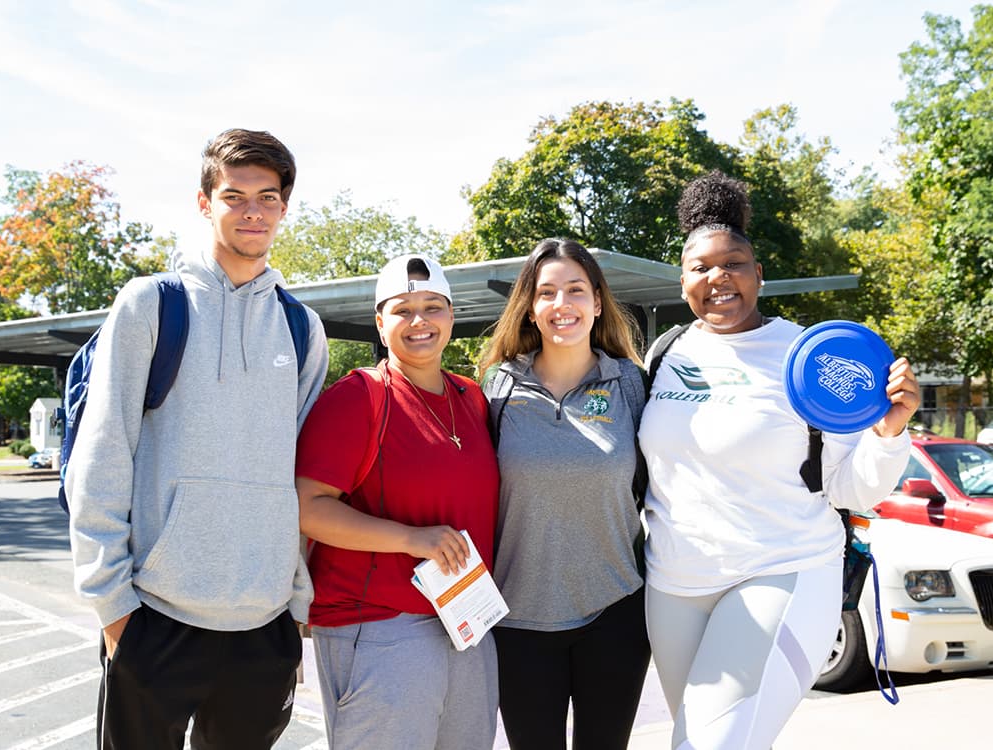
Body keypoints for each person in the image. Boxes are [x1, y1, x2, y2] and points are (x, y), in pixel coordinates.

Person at [66, 128, 330, 750]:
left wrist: (294, 608)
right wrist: (114, 611)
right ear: (205, 202)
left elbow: (303, 480)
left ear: (284, 209)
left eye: (267, 197)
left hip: (264, 626)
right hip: (155, 618)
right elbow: (101, 455)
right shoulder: (150, 305)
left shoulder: (301, 328)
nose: (252, 211)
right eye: (234, 195)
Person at [639, 171, 921, 749]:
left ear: (759, 274)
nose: (718, 278)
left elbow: (849, 488)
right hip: (673, 586)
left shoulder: (807, 356)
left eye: (734, 263)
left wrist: (889, 433)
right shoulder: (666, 353)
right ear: (682, 280)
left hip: (781, 571)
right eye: (700, 267)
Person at [295, 255, 500, 750]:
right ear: (380, 323)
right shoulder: (358, 397)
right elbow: (307, 506)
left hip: (467, 619)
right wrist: (411, 539)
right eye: (402, 309)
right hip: (379, 626)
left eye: (433, 306)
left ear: (452, 316)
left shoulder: (471, 397)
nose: (419, 321)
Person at [478, 238, 652, 750]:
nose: (562, 305)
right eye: (547, 292)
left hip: (616, 611)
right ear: (530, 309)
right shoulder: (497, 389)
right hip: (518, 618)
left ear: (598, 302)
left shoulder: (632, 386)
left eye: (575, 290)